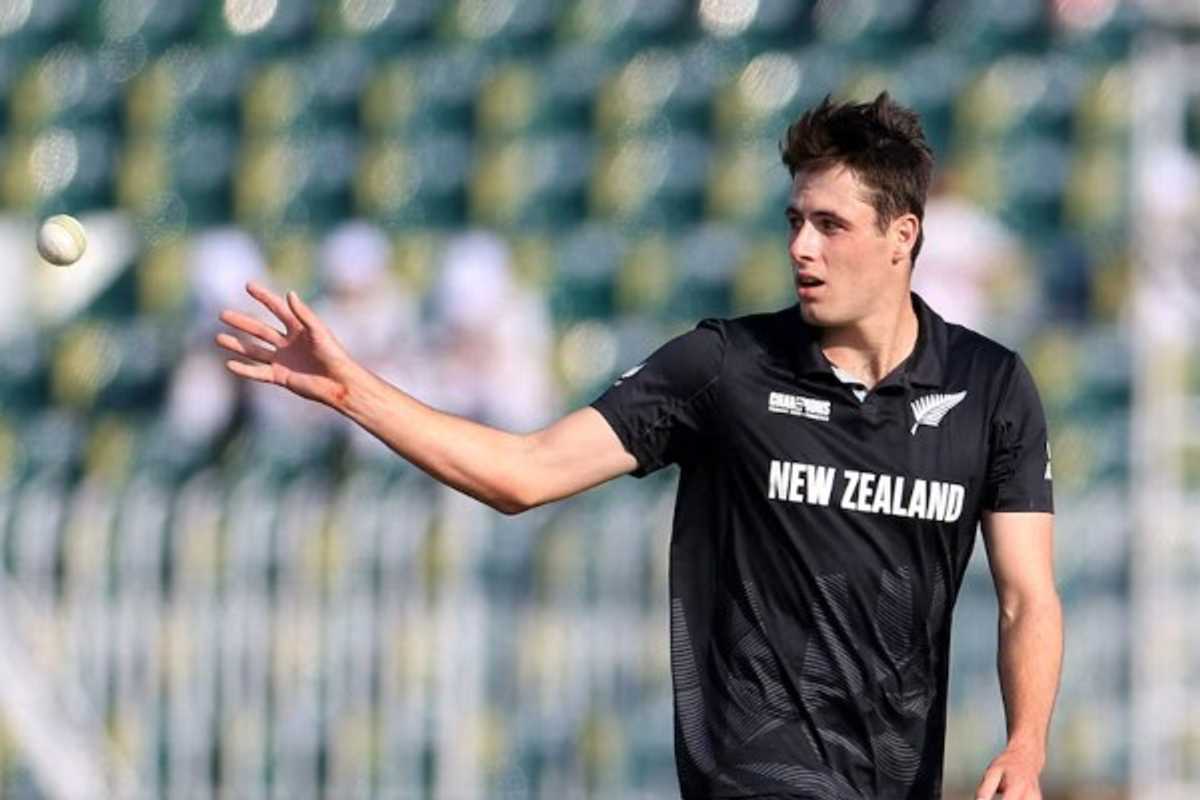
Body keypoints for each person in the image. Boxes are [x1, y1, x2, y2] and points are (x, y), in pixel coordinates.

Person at [216, 93, 1060, 800]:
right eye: (794, 220)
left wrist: (1025, 744)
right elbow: (523, 473)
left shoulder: (990, 388)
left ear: (902, 236)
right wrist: (352, 389)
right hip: (752, 776)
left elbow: (1026, 596)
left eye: (830, 225)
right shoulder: (723, 366)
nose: (802, 246)